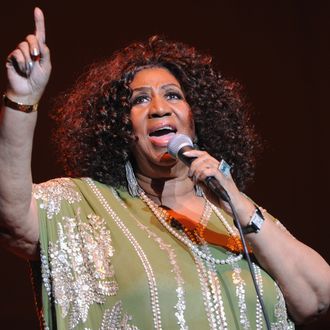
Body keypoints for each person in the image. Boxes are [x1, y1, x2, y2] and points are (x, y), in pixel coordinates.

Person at [0, 7, 329, 330]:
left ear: (194, 119)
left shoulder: (239, 215)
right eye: (140, 100)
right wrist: (21, 100)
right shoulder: (85, 205)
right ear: (121, 129)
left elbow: (317, 298)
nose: (159, 108)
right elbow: (12, 216)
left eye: (173, 95)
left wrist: (237, 202)